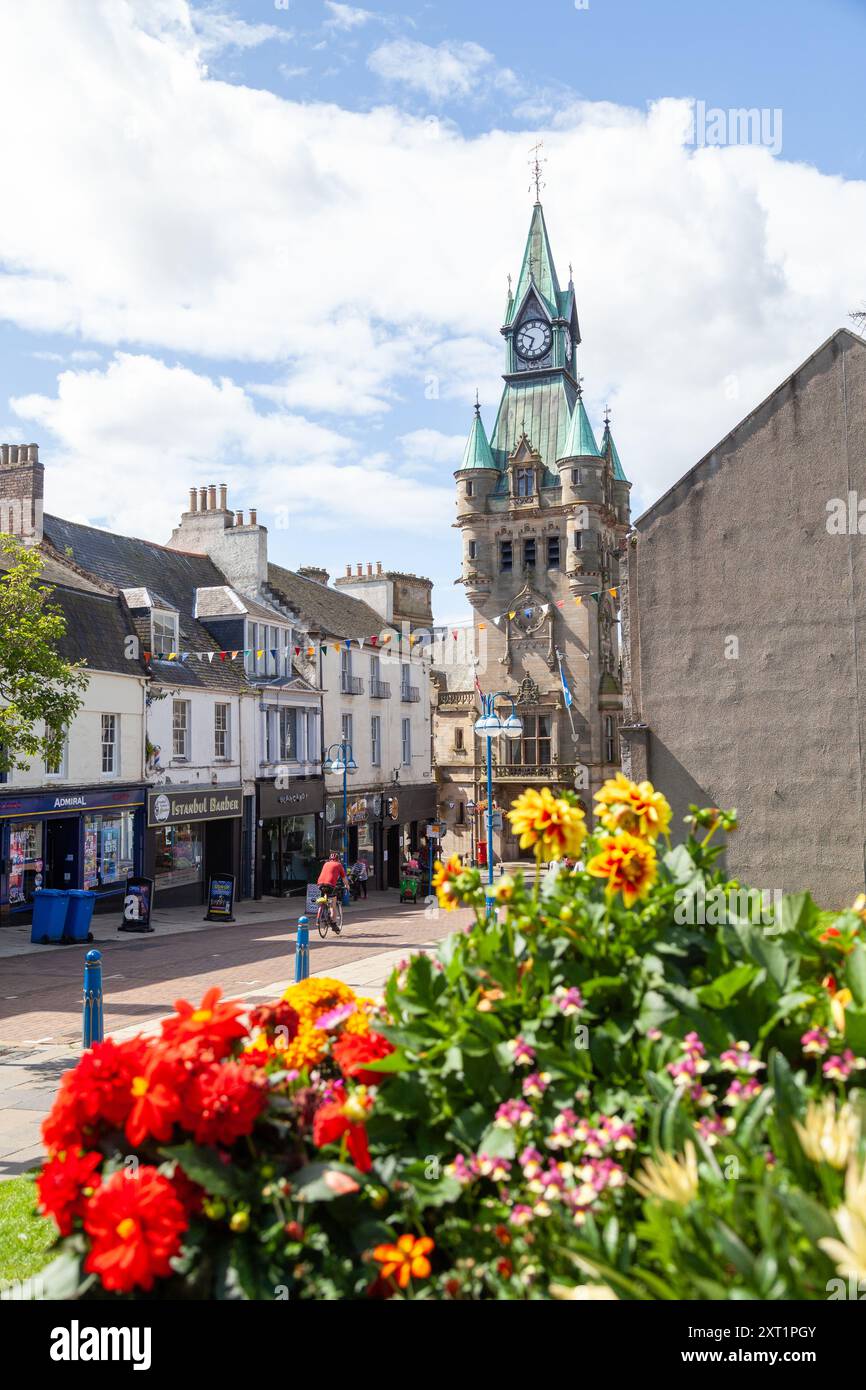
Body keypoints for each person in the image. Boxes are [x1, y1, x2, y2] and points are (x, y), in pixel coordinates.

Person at [317, 852, 349, 925]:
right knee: (333, 905)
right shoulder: (339, 865)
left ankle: (322, 913)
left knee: (324, 898)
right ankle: (333, 923)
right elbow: (344, 878)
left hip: (320, 884)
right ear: (338, 859)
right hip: (330, 885)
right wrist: (347, 886)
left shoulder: (325, 864)